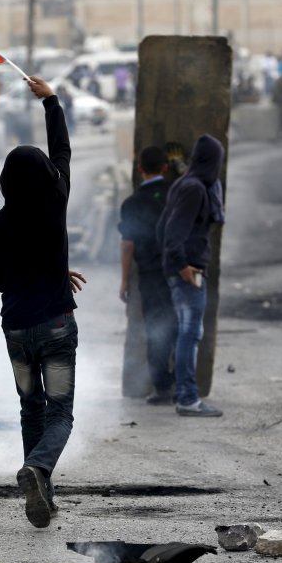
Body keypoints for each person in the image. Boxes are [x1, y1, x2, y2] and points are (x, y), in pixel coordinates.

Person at [0, 75, 87, 528]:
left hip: (17, 332)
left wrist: (44, 271)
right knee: (60, 411)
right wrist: (51, 103)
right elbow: (62, 152)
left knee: (32, 408)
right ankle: (39, 470)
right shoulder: (55, 202)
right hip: (56, 327)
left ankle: (39, 491)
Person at [156, 134, 225, 417]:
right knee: (190, 333)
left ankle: (184, 393)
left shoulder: (188, 184)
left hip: (184, 269)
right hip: (188, 272)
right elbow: (172, 234)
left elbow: (162, 228)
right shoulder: (194, 189)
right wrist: (182, 266)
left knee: (187, 332)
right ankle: (187, 398)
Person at [118, 146, 177, 405]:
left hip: (151, 275)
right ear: (165, 167)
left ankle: (162, 386)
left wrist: (123, 280)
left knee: (157, 328)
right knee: (183, 328)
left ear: (139, 169)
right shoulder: (177, 195)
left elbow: (127, 244)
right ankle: (184, 382)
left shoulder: (132, 203)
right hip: (180, 271)